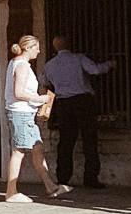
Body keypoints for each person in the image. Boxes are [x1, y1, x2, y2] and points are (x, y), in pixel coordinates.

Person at [42, 33, 113, 190]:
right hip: (82, 101)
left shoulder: (50, 64)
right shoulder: (79, 58)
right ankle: (90, 178)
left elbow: (44, 81)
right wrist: (109, 64)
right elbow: (95, 70)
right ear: (69, 44)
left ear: (55, 47)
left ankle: (63, 177)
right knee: (89, 139)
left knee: (65, 141)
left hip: (63, 104)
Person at [3, 35, 65, 201]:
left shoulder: (16, 63)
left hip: (26, 113)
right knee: (18, 151)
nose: (38, 51)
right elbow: (19, 92)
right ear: (28, 48)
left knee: (37, 148)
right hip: (20, 113)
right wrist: (40, 99)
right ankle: (11, 192)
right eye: (36, 47)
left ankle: (49, 186)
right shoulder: (22, 66)